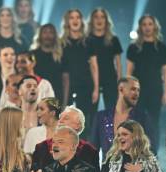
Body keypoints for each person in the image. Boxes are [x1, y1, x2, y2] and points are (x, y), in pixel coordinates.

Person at [126, 15, 166, 152]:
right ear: (140, 27)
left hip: (155, 90)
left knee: (154, 123)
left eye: (150, 24)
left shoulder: (161, 47)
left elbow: (165, 71)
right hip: (137, 92)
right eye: (144, 24)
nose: (147, 27)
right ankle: (137, 151)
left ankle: (153, 153)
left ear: (155, 27)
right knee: (136, 122)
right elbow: (128, 72)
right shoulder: (134, 47)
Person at [60, 9, 100, 140]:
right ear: (67, 21)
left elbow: (94, 66)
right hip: (68, 87)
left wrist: (96, 89)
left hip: (86, 85)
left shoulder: (89, 41)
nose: (75, 20)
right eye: (72, 17)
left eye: (78, 17)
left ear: (81, 21)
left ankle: (85, 152)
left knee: (85, 122)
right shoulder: (61, 43)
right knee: (67, 122)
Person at [91, 76, 151, 156]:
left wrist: (140, 167)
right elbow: (92, 151)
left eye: (138, 90)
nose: (137, 93)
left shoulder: (142, 117)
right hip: (107, 168)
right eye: (133, 89)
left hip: (132, 167)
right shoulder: (101, 117)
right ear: (121, 89)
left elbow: (151, 150)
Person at [32, 105, 100, 172]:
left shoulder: (90, 151)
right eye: (60, 118)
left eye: (66, 118)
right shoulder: (41, 147)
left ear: (78, 125)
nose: (60, 121)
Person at [87, 8, 123, 109]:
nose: (99, 20)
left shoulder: (113, 39)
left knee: (111, 111)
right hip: (91, 79)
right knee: (91, 113)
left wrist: (120, 83)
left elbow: (119, 64)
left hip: (110, 78)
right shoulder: (87, 39)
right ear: (92, 20)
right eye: (96, 17)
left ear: (106, 20)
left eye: (102, 17)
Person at [0, 7, 28, 74]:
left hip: (17, 80)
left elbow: (26, 65)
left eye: (8, 15)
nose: (5, 18)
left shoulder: (22, 41)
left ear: (12, 19)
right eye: (2, 15)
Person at [31, 24, 65, 103]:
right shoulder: (33, 55)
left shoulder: (61, 56)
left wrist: (65, 102)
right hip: (37, 97)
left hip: (56, 98)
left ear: (55, 36)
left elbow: (65, 81)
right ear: (40, 35)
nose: (48, 35)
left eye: (51, 32)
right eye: (45, 32)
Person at [0, 72, 22, 138]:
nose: (18, 88)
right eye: (15, 85)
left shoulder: (30, 112)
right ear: (6, 88)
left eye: (20, 85)